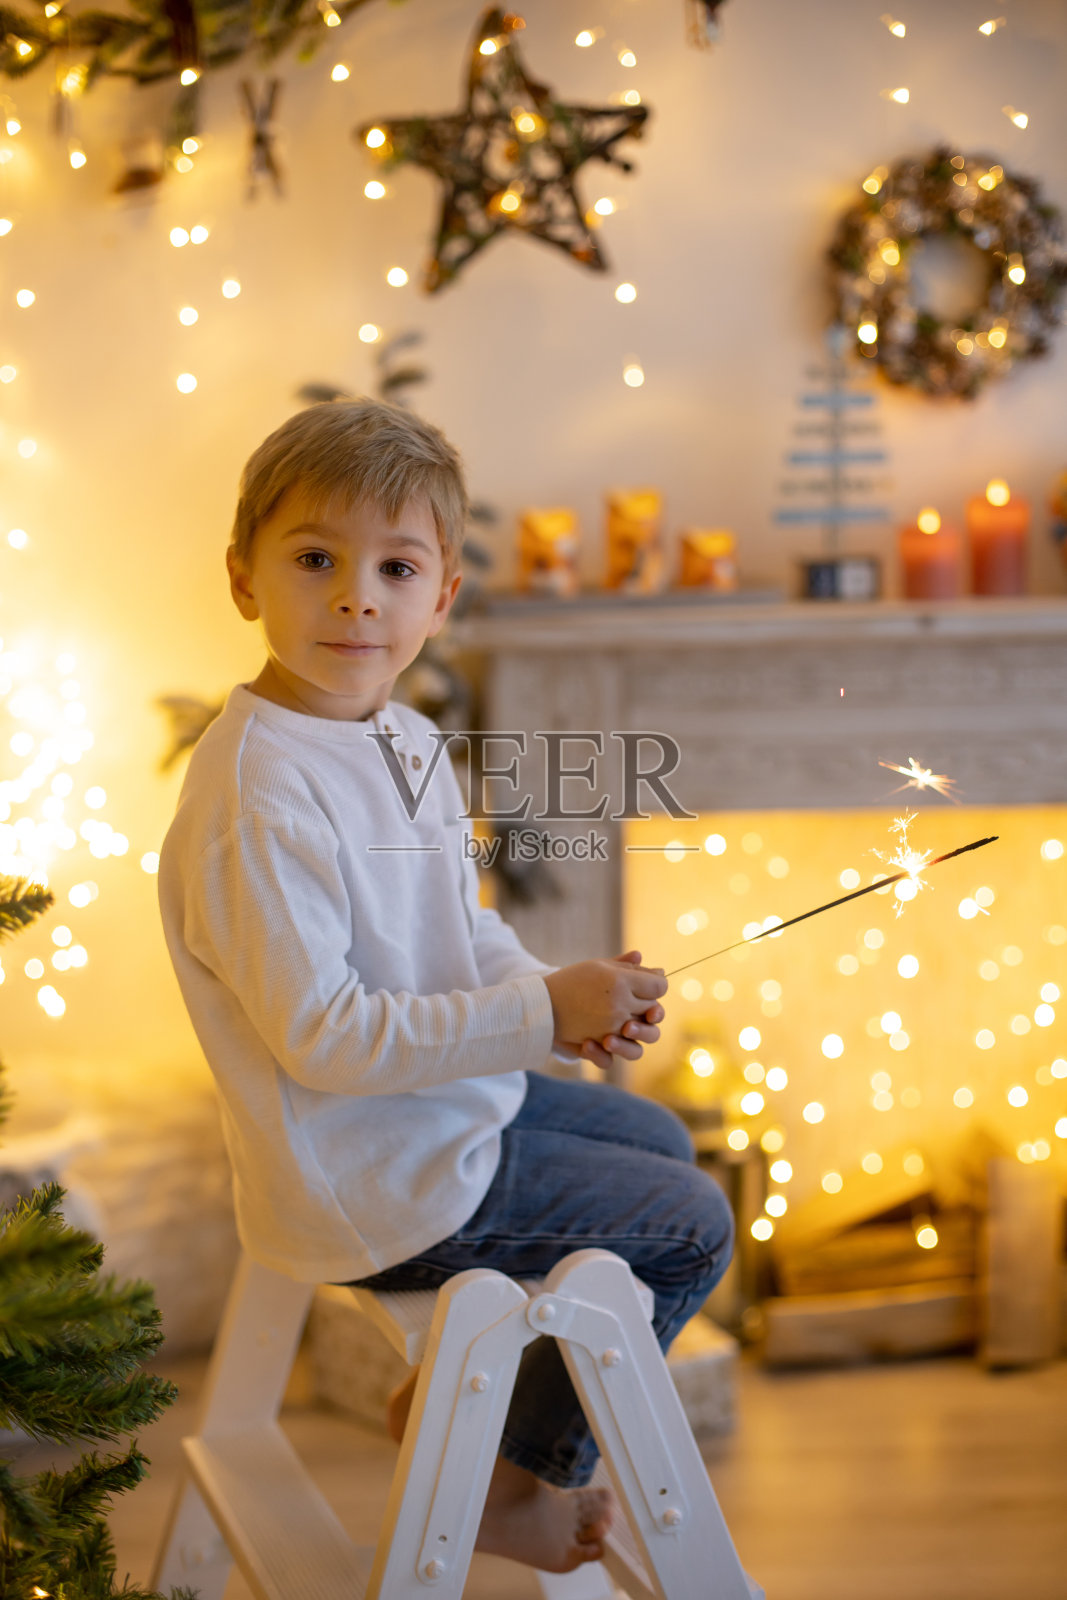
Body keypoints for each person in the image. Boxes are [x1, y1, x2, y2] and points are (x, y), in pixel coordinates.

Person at [157, 398, 735, 1574]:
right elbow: (325, 1039)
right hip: (371, 1167)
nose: (357, 596)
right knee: (692, 1223)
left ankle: (455, 1406)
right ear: (242, 577)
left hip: (428, 1113)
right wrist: (534, 1017)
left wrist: (559, 994)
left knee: (664, 1143)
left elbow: (454, 931)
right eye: (316, 559)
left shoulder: (399, 737)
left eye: (394, 566)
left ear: (441, 597)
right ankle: (509, 1478)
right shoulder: (259, 793)